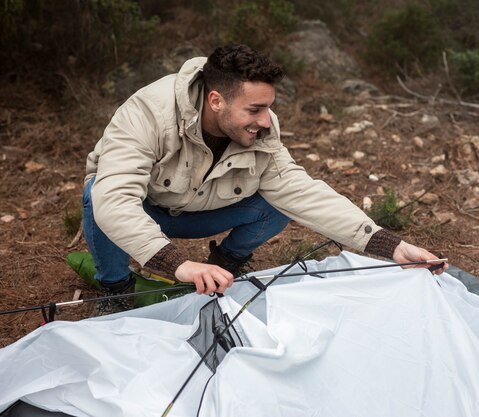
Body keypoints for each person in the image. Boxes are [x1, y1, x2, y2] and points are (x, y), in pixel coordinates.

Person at [82, 44, 447, 315]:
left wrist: (390, 246)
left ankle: (225, 264)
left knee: (275, 203)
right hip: (149, 212)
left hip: (201, 212)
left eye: (269, 107)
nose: (266, 120)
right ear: (216, 101)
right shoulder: (148, 113)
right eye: (255, 109)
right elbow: (114, 200)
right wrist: (178, 265)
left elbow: (300, 190)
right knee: (94, 192)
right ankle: (116, 289)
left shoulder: (261, 131)